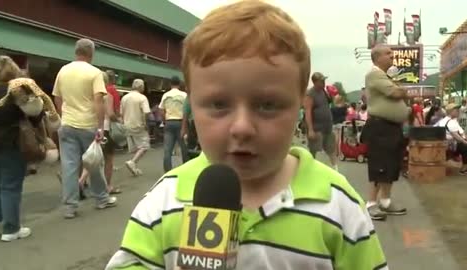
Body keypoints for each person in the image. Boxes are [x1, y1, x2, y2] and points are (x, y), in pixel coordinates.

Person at [106, 1, 387, 269]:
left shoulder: (338, 204)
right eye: (218, 104)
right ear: (192, 105)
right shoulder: (164, 200)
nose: (241, 127)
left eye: (267, 105)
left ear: (300, 107)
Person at [53, 38, 117, 219]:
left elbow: (57, 97)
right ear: (91, 53)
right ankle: (102, 199)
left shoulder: (63, 70)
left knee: (69, 166)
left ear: (76, 51)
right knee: (94, 162)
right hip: (88, 125)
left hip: (67, 124)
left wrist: (63, 115)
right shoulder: (95, 73)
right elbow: (98, 100)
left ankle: (70, 207)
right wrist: (100, 127)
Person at [0, 56, 38, 241]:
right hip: (10, 146)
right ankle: (11, 229)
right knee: (10, 187)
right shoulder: (16, 95)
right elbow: (35, 117)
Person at [363, 45, 409, 221]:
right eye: (388, 53)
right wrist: (402, 92)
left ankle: (386, 201)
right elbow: (395, 93)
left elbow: (398, 93)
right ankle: (371, 204)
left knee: (390, 164)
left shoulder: (385, 75)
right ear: (377, 57)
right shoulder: (374, 74)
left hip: (391, 127)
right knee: (380, 165)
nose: (392, 55)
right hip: (380, 127)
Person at [304, 72, 338, 171]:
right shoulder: (310, 94)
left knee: (331, 149)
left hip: (327, 126)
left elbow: (329, 104)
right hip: (316, 127)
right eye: (321, 80)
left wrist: (332, 95)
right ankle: (311, 170)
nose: (324, 82)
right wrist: (310, 129)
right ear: (315, 82)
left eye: (324, 80)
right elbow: (308, 111)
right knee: (315, 150)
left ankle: (335, 169)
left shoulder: (324, 91)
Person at [121, 79, 151, 176]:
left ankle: (134, 166)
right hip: (138, 125)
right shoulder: (142, 98)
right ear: (141, 87)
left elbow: (121, 113)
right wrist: (145, 123)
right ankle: (132, 162)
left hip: (127, 125)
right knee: (144, 145)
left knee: (134, 148)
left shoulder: (124, 98)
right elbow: (146, 112)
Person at [159, 76, 188, 172]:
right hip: (181, 123)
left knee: (167, 150)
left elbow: (161, 110)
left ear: (170, 84)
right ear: (179, 84)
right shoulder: (184, 95)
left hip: (169, 122)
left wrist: (164, 120)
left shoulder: (165, 95)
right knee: (184, 148)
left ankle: (167, 171)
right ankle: (186, 169)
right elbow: (186, 111)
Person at [435, 103, 467, 175]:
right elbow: (457, 137)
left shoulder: (451, 120)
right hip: (449, 144)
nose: (458, 112)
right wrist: (465, 142)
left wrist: (464, 138)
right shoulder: (449, 122)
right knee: (464, 147)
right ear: (451, 111)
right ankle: (464, 169)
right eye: (456, 110)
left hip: (449, 143)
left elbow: (461, 133)